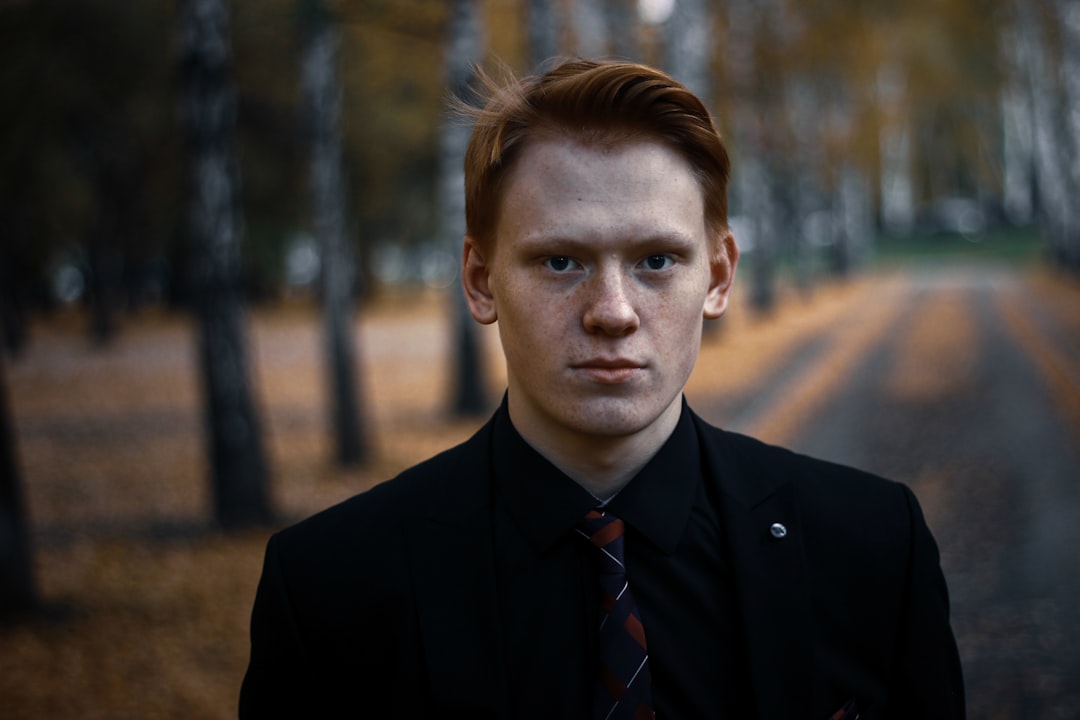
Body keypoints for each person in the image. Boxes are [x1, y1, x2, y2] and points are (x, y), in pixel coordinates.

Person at [239, 59, 964, 719]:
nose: (612, 311)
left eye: (656, 259)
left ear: (716, 277)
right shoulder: (332, 586)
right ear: (480, 280)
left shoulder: (871, 546)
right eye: (560, 262)